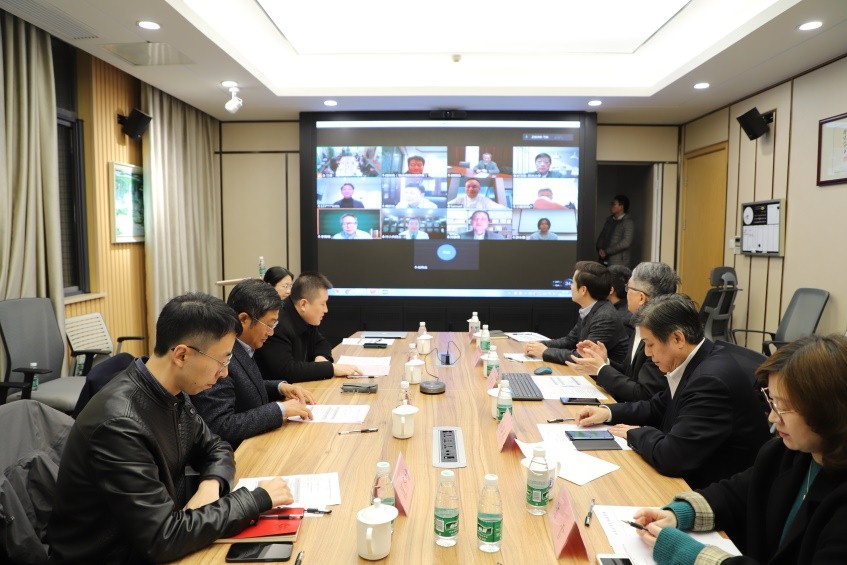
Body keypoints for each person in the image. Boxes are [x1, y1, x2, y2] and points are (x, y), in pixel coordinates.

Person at [47, 293, 295, 563]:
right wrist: (256, 500)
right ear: (181, 355)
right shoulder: (119, 425)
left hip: (155, 536)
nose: (224, 373)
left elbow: (215, 445)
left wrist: (211, 485)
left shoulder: (170, 391)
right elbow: (162, 538)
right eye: (222, 361)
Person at [633, 334, 847, 564]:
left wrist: (691, 555)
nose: (773, 418)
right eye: (772, 402)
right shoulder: (784, 453)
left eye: (784, 407)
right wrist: (679, 513)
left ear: (828, 410)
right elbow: (736, 495)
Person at [575, 294, 771, 488]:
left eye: (650, 344)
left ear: (678, 338)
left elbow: (672, 457)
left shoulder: (710, 381)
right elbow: (658, 406)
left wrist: (635, 433)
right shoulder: (698, 359)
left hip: (710, 489)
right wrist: (608, 412)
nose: (647, 353)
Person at [191, 279, 315, 450]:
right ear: (243, 319)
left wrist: (280, 387)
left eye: (274, 325)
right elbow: (220, 426)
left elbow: (242, 386)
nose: (271, 332)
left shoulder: (244, 346)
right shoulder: (220, 355)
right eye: (269, 325)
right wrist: (279, 409)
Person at [566, 262, 678, 401]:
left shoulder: (660, 335)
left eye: (628, 288)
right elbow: (628, 374)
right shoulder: (639, 324)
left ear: (641, 297)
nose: (626, 293)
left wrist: (601, 369)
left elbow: (642, 394)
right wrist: (605, 361)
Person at [255, 272, 361, 383]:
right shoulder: (277, 323)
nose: (326, 310)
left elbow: (321, 342)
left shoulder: (305, 317)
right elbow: (287, 371)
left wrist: (321, 357)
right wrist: (330, 368)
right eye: (322, 304)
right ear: (303, 304)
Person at [524, 261, 629, 365]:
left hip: (606, 375)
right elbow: (570, 341)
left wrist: (545, 351)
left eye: (573, 282)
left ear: (583, 290)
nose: (570, 286)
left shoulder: (605, 317)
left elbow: (584, 356)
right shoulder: (590, 309)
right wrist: (540, 344)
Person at [596, 194, 635, 267]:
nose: (611, 206)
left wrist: (607, 251)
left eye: (613, 204)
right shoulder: (609, 221)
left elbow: (626, 242)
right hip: (603, 260)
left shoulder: (628, 222)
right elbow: (602, 236)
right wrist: (600, 248)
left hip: (619, 263)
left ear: (621, 206)